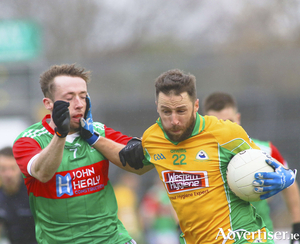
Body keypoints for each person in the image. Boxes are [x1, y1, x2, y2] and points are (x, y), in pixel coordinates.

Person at [118, 69, 297, 244]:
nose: (174, 120)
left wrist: (285, 177)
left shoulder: (234, 136)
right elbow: (134, 165)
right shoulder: (152, 139)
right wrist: (96, 139)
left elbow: (276, 170)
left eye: (181, 111)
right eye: (166, 111)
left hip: (244, 236)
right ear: (157, 106)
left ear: (196, 106)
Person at [12, 64, 151, 244]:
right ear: (48, 104)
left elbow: (141, 166)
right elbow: (43, 173)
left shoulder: (99, 131)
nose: (79, 104)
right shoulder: (28, 140)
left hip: (113, 239)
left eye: (83, 97)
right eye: (69, 98)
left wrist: (94, 139)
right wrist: (60, 135)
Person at [202, 92, 300, 239]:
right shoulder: (199, 156)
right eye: (218, 124)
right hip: (216, 237)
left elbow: (289, 184)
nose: (224, 129)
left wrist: (297, 225)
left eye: (229, 122)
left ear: (238, 119)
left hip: (259, 235)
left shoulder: (264, 150)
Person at [0, 146, 37, 244]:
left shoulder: (34, 190)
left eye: (12, 168)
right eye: (3, 169)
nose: (8, 174)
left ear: (20, 168)